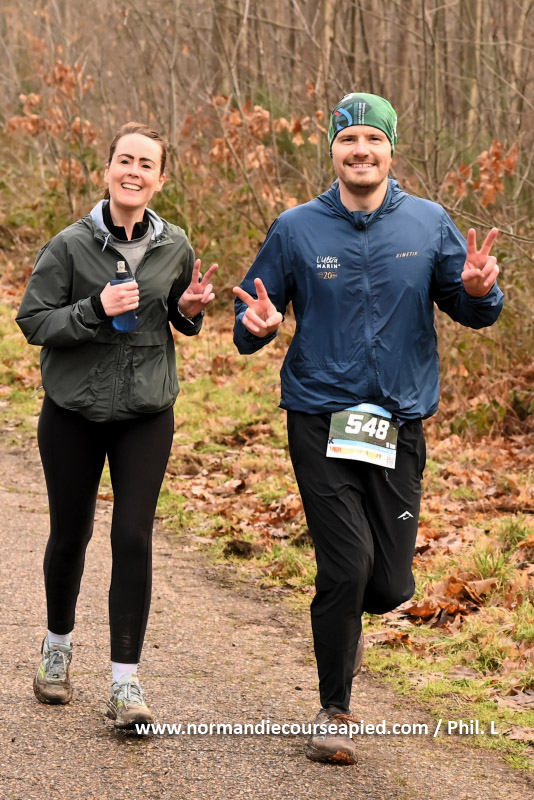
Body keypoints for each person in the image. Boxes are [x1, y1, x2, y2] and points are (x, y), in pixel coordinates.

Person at [233, 93, 503, 764]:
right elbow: (251, 314)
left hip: (398, 423)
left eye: (372, 140)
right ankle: (334, 710)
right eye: (348, 139)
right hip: (319, 417)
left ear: (390, 148)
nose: (361, 151)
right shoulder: (295, 228)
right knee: (346, 565)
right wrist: (255, 327)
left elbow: (471, 308)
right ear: (332, 150)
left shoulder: (429, 222)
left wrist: (478, 292)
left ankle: (348, 627)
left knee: (388, 586)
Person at [16, 122, 218, 728]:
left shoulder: (174, 245)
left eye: (146, 164)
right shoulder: (68, 245)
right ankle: (57, 647)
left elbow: (175, 314)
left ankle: (125, 684)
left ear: (160, 180)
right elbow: (33, 321)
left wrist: (188, 311)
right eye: (124, 160)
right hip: (72, 411)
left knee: (132, 537)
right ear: (107, 171)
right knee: (70, 534)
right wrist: (93, 309)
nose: (133, 171)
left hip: (145, 412)